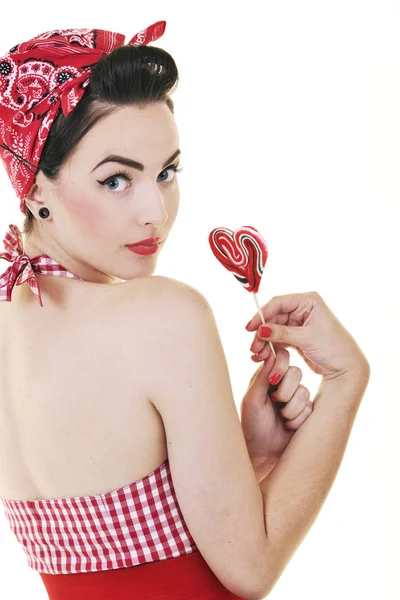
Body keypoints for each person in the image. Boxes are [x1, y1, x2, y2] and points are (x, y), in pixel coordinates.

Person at [0, 21, 371, 600]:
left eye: (167, 172)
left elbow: (117, 553)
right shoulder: (163, 313)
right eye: (117, 179)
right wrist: (346, 382)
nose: (156, 211)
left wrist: (238, 460)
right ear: (34, 187)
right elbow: (251, 568)